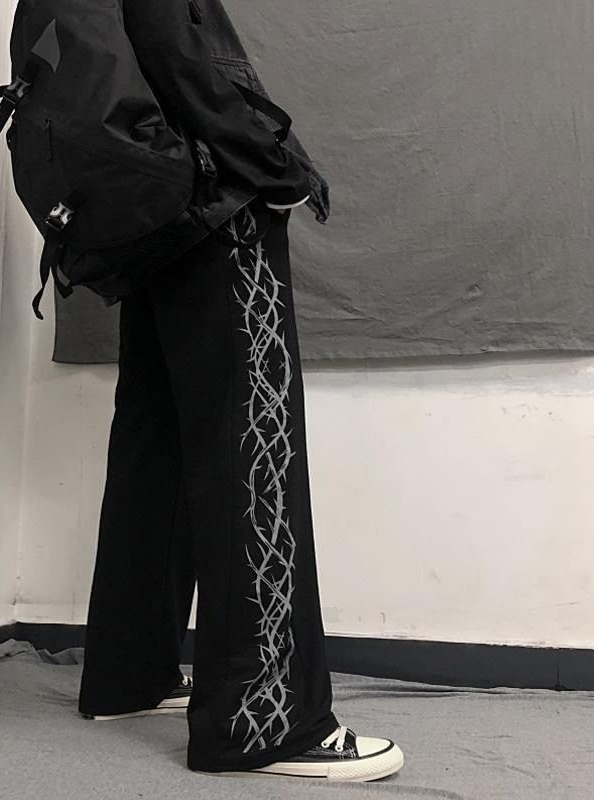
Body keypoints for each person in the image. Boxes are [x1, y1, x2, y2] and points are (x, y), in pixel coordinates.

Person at [77, 0, 405, 783]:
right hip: (213, 204)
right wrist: (276, 165)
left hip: (149, 215)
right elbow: (179, 50)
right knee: (253, 434)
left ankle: (129, 676)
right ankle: (265, 719)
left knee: (156, 443)